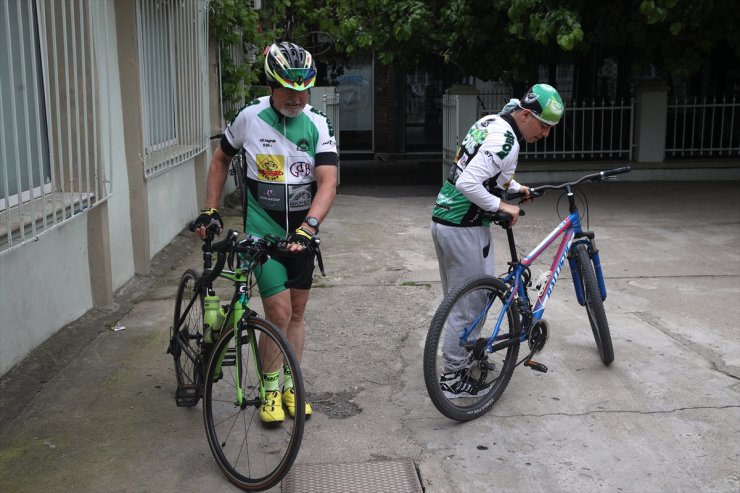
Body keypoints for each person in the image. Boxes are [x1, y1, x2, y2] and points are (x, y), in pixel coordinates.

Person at [193, 41, 338, 423]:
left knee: (298, 313)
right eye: (289, 88)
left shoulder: (318, 122)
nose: (298, 97)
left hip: (302, 235)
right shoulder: (250, 117)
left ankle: (292, 385)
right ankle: (270, 390)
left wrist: (309, 227)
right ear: (271, 84)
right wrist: (210, 208)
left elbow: (328, 182)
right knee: (278, 311)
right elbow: (221, 158)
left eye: (304, 87)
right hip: (263, 233)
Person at [431, 83, 564, 398]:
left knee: (466, 301)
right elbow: (468, 181)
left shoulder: (491, 122)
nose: (545, 135)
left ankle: (465, 359)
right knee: (469, 307)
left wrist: (515, 189)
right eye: (544, 126)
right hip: (465, 228)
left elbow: (485, 171)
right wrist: (500, 205)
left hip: (447, 222)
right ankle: (452, 377)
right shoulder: (507, 140)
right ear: (526, 114)